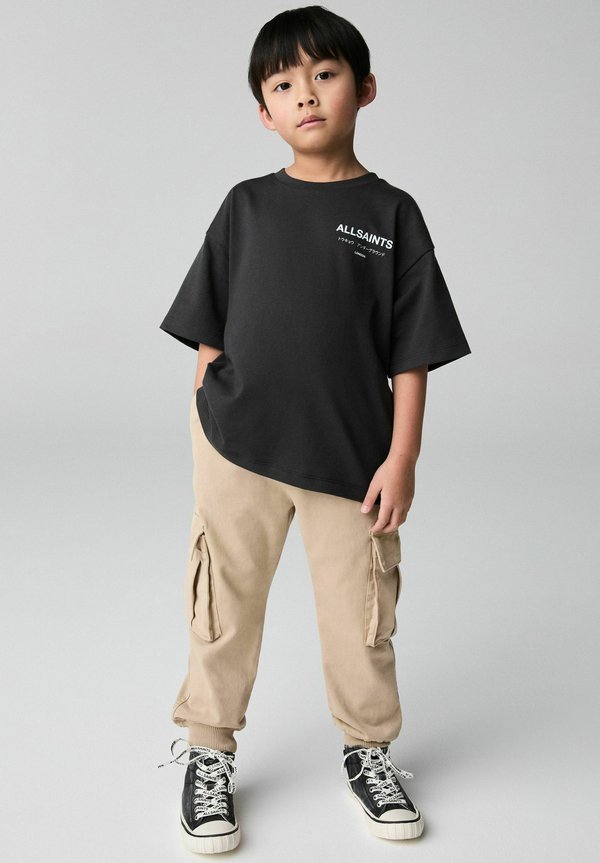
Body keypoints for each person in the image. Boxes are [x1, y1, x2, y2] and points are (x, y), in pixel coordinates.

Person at [156, 5, 472, 854]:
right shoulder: (246, 206)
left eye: (324, 75)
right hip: (238, 449)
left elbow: (413, 352)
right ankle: (208, 748)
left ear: (364, 89)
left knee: (361, 612)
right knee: (222, 602)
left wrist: (402, 457)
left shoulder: (392, 214)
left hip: (351, 457)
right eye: (283, 84)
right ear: (264, 112)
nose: (305, 95)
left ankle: (369, 751)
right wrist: (207, 412)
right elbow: (208, 320)